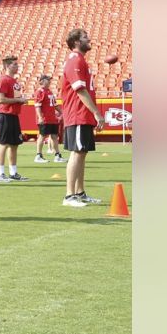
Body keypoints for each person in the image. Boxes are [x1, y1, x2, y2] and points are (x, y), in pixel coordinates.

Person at [60, 28, 105, 207]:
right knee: (77, 152)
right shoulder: (74, 60)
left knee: (82, 153)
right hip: (77, 113)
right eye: (85, 37)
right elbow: (80, 89)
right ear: (77, 42)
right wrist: (96, 112)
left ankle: (80, 192)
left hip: (82, 114)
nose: (89, 39)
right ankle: (69, 195)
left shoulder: (81, 60)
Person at [0, 56, 29, 182]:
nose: (17, 66)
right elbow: (1, 99)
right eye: (14, 64)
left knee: (14, 144)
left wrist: (21, 100)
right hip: (5, 115)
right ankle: (0, 174)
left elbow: (13, 98)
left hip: (13, 115)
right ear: (7, 66)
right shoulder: (4, 80)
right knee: (3, 144)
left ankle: (13, 172)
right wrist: (18, 100)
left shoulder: (15, 81)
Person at [33, 74, 65, 163]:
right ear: (42, 81)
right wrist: (40, 117)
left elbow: (55, 104)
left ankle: (57, 155)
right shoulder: (40, 91)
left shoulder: (49, 91)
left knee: (54, 136)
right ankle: (38, 155)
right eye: (48, 80)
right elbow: (37, 106)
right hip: (45, 118)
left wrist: (63, 112)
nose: (50, 81)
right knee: (42, 136)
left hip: (52, 118)